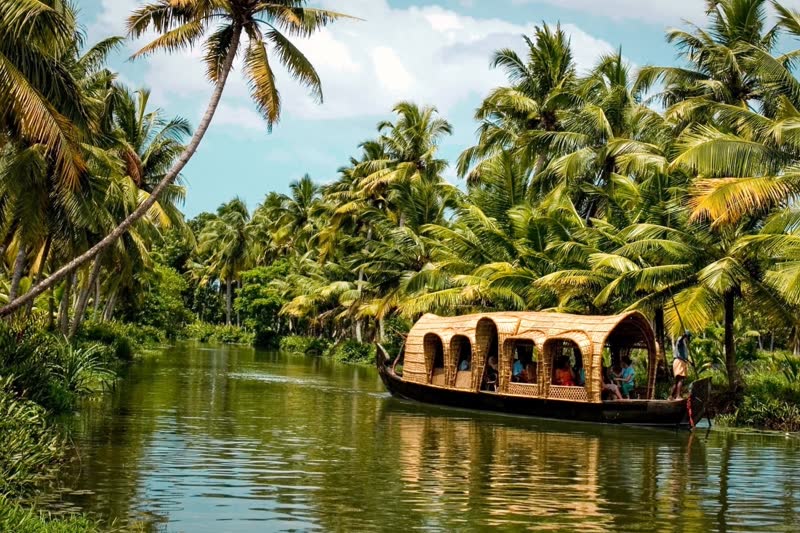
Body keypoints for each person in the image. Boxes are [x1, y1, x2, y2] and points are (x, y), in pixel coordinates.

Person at [670, 331, 691, 400]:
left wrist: (690, 362)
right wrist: (683, 336)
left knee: (677, 380)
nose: (689, 339)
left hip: (680, 361)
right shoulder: (681, 340)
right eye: (688, 337)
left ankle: (671, 397)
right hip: (679, 362)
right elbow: (680, 341)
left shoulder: (684, 344)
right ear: (687, 337)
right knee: (681, 379)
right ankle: (678, 396)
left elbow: (684, 356)